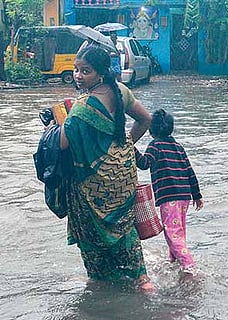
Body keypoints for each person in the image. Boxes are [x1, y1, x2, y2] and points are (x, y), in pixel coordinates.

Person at [54, 46, 154, 292]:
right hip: (123, 173)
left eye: (85, 71)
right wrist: (126, 144)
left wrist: (57, 124)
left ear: (99, 73)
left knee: (92, 227)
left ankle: (101, 281)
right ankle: (142, 279)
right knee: (124, 224)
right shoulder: (120, 91)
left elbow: (62, 144)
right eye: (77, 69)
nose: (78, 75)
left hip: (93, 180)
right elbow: (145, 119)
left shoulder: (81, 109)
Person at [135, 109, 204, 276]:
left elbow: (144, 163)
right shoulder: (178, 147)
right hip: (184, 196)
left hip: (169, 197)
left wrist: (132, 148)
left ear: (151, 131)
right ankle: (174, 261)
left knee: (172, 232)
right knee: (178, 229)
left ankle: (189, 266)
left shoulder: (155, 146)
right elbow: (189, 171)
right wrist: (197, 195)